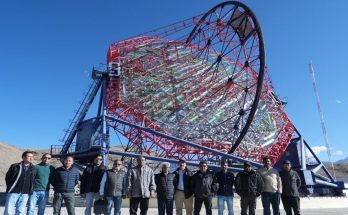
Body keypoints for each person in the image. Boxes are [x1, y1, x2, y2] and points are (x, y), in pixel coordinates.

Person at [4, 150, 36, 215]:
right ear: (23, 157)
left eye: (32, 156)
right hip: (13, 191)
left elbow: (33, 179)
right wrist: (11, 186)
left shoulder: (33, 168)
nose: (31, 158)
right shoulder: (15, 166)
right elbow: (8, 177)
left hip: (25, 192)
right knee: (8, 210)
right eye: (29, 156)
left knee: (20, 211)